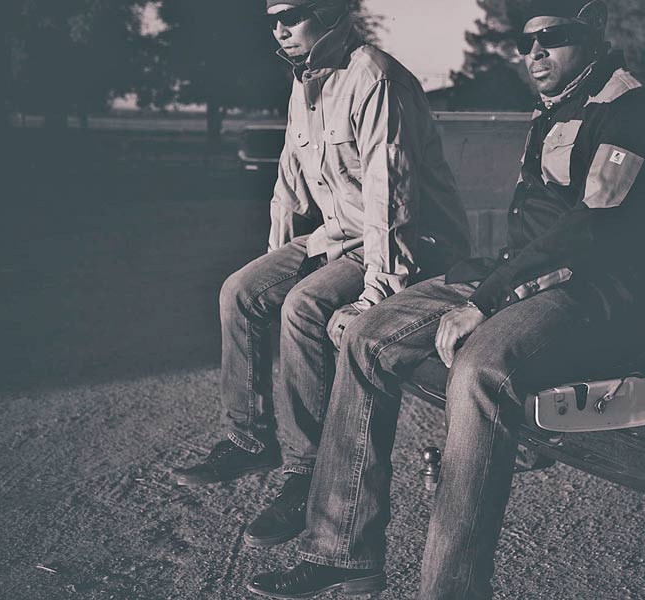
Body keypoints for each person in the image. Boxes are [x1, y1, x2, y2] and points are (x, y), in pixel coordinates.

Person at [246, 0, 645, 598]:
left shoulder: (630, 112)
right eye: (524, 42)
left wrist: (490, 298)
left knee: (478, 370)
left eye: (551, 38)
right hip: (517, 275)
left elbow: (590, 230)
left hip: (596, 292)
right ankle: (344, 551)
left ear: (594, 35)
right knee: (367, 338)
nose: (533, 54)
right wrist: (492, 283)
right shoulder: (558, 104)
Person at [171, 0, 470, 553]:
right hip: (340, 237)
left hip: (410, 243)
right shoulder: (305, 79)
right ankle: (249, 437)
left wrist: (378, 292)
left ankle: (305, 475)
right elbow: (289, 182)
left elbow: (391, 195)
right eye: (272, 18)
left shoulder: (374, 77)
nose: (279, 28)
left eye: (292, 14)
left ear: (331, 12)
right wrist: (270, 264)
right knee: (240, 291)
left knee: (304, 307)